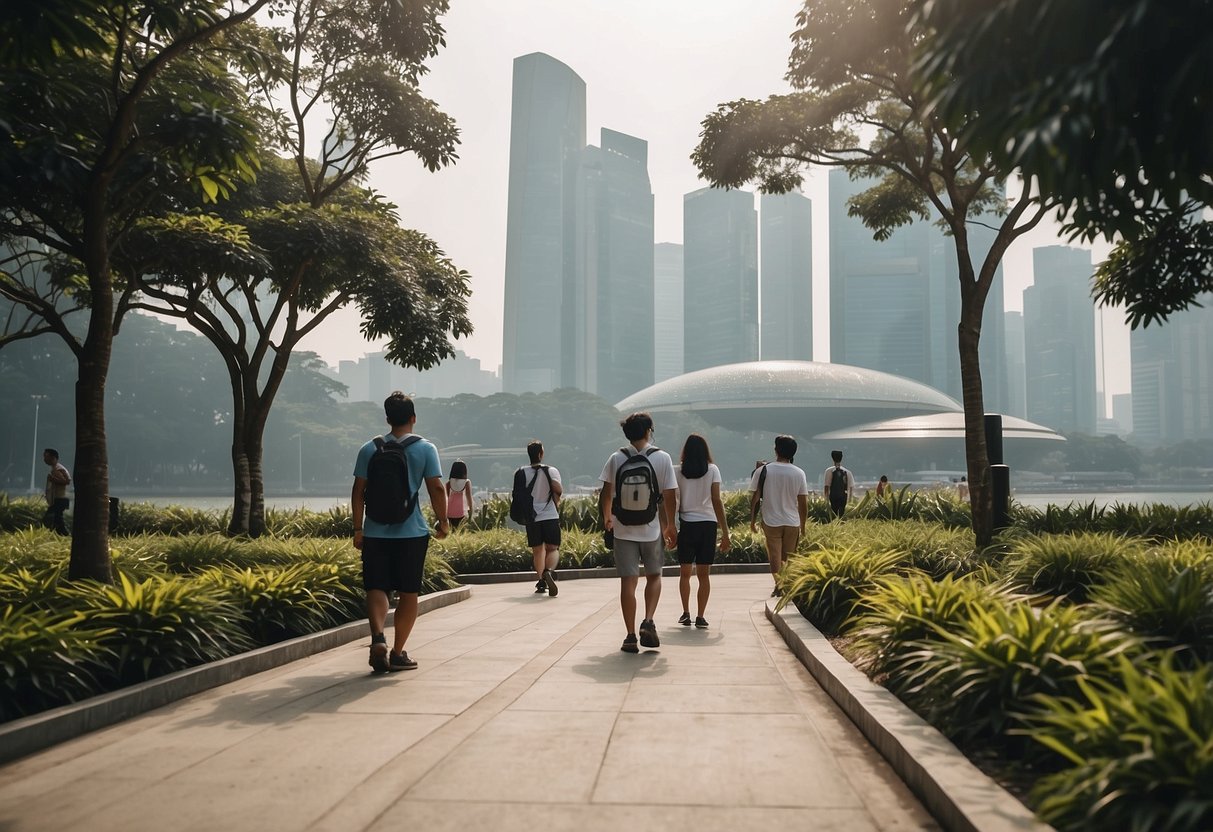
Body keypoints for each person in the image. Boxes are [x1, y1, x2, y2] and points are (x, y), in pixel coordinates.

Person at [351, 392, 448, 674]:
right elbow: (437, 489)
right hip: (412, 532)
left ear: (387, 419)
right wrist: (443, 522)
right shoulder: (426, 449)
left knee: (377, 586)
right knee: (408, 592)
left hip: (375, 533)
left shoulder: (369, 448)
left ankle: (378, 636)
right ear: (413, 418)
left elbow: (358, 492)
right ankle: (396, 653)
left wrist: (358, 529)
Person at [599, 412, 678, 653]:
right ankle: (649, 619)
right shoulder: (662, 458)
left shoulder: (616, 457)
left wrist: (607, 518)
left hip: (623, 529)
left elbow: (605, 492)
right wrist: (671, 525)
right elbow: (669, 495)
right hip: (651, 528)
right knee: (654, 576)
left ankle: (630, 636)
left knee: (628, 583)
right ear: (648, 431)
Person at [674, 433, 730, 628]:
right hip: (708, 525)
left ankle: (685, 613)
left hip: (687, 525)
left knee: (685, 573)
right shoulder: (713, 470)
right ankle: (701, 616)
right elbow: (716, 500)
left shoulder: (677, 471)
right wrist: (725, 532)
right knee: (704, 575)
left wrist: (670, 527)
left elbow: (674, 501)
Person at [749, 435, 809, 597]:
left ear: (776, 450)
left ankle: (779, 584)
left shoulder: (763, 471)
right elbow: (803, 502)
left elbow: (754, 498)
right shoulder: (799, 473)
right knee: (788, 557)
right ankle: (786, 585)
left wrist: (752, 520)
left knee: (774, 555)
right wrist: (803, 526)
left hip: (771, 520)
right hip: (792, 521)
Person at [519, 440, 563, 597]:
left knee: (538, 550)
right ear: (541, 454)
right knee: (552, 548)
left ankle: (541, 580)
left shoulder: (522, 472)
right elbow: (558, 489)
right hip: (550, 515)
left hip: (531, 517)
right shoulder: (551, 471)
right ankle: (549, 571)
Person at [42, 448, 71, 536]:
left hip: (59, 499)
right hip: (57, 499)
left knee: (50, 519)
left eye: (46, 456)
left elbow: (67, 481)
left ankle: (64, 535)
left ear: (53, 457)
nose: (44, 459)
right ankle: (60, 535)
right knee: (56, 520)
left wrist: (53, 479)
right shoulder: (56, 468)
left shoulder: (58, 469)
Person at [823, 449, 854, 520]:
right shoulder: (847, 472)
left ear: (832, 459)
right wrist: (850, 500)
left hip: (833, 497)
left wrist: (826, 500)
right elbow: (851, 487)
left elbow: (826, 486)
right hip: (843, 497)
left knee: (833, 516)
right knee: (841, 515)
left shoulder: (829, 471)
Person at [445, 460, 473, 529]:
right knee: (459, 531)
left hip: (449, 512)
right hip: (460, 512)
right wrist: (471, 511)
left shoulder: (448, 483)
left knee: (451, 532)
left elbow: (447, 498)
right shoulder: (466, 482)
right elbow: (469, 497)